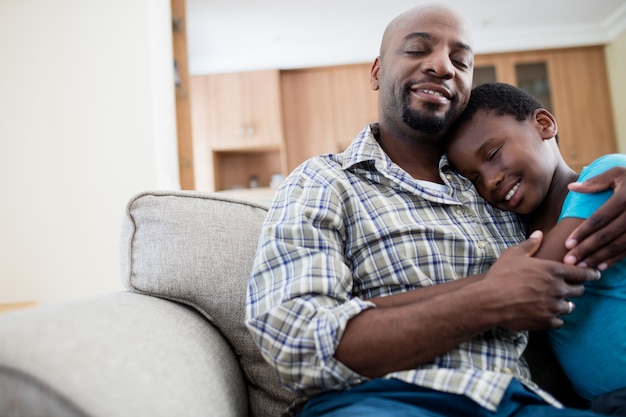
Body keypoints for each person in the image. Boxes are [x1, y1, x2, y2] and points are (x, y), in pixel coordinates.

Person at [245, 4, 626, 417]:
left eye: (460, 61)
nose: (442, 66)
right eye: (416, 50)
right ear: (376, 72)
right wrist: (488, 298)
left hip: (522, 403)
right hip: (388, 402)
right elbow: (296, 341)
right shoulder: (323, 181)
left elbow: (566, 190)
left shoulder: (496, 194)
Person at [445, 82, 626, 410]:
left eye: (493, 154)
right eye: (474, 178)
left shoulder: (602, 179)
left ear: (544, 124)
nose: (490, 181)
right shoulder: (518, 233)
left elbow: (533, 279)